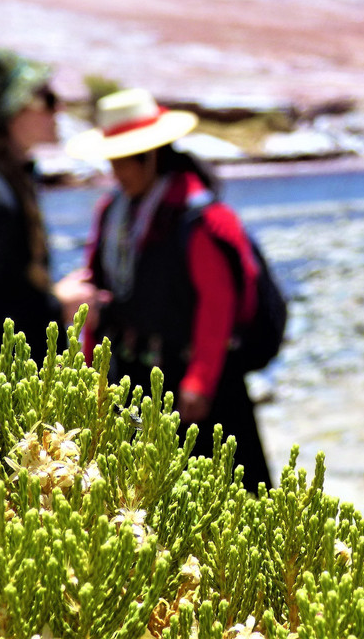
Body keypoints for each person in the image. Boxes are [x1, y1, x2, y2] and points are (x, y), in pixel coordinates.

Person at [66, 87, 273, 493]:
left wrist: (199, 381)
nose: (117, 169)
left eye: (126, 158)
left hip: (198, 383)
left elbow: (218, 304)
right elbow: (96, 290)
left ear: (154, 155)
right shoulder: (112, 213)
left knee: (228, 492)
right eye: (113, 158)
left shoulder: (199, 221)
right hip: (136, 376)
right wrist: (90, 366)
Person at [0, 49, 93, 363]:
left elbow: (8, 291)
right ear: (13, 112)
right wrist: (58, 306)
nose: (57, 107)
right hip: (9, 392)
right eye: (45, 97)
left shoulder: (14, 183)